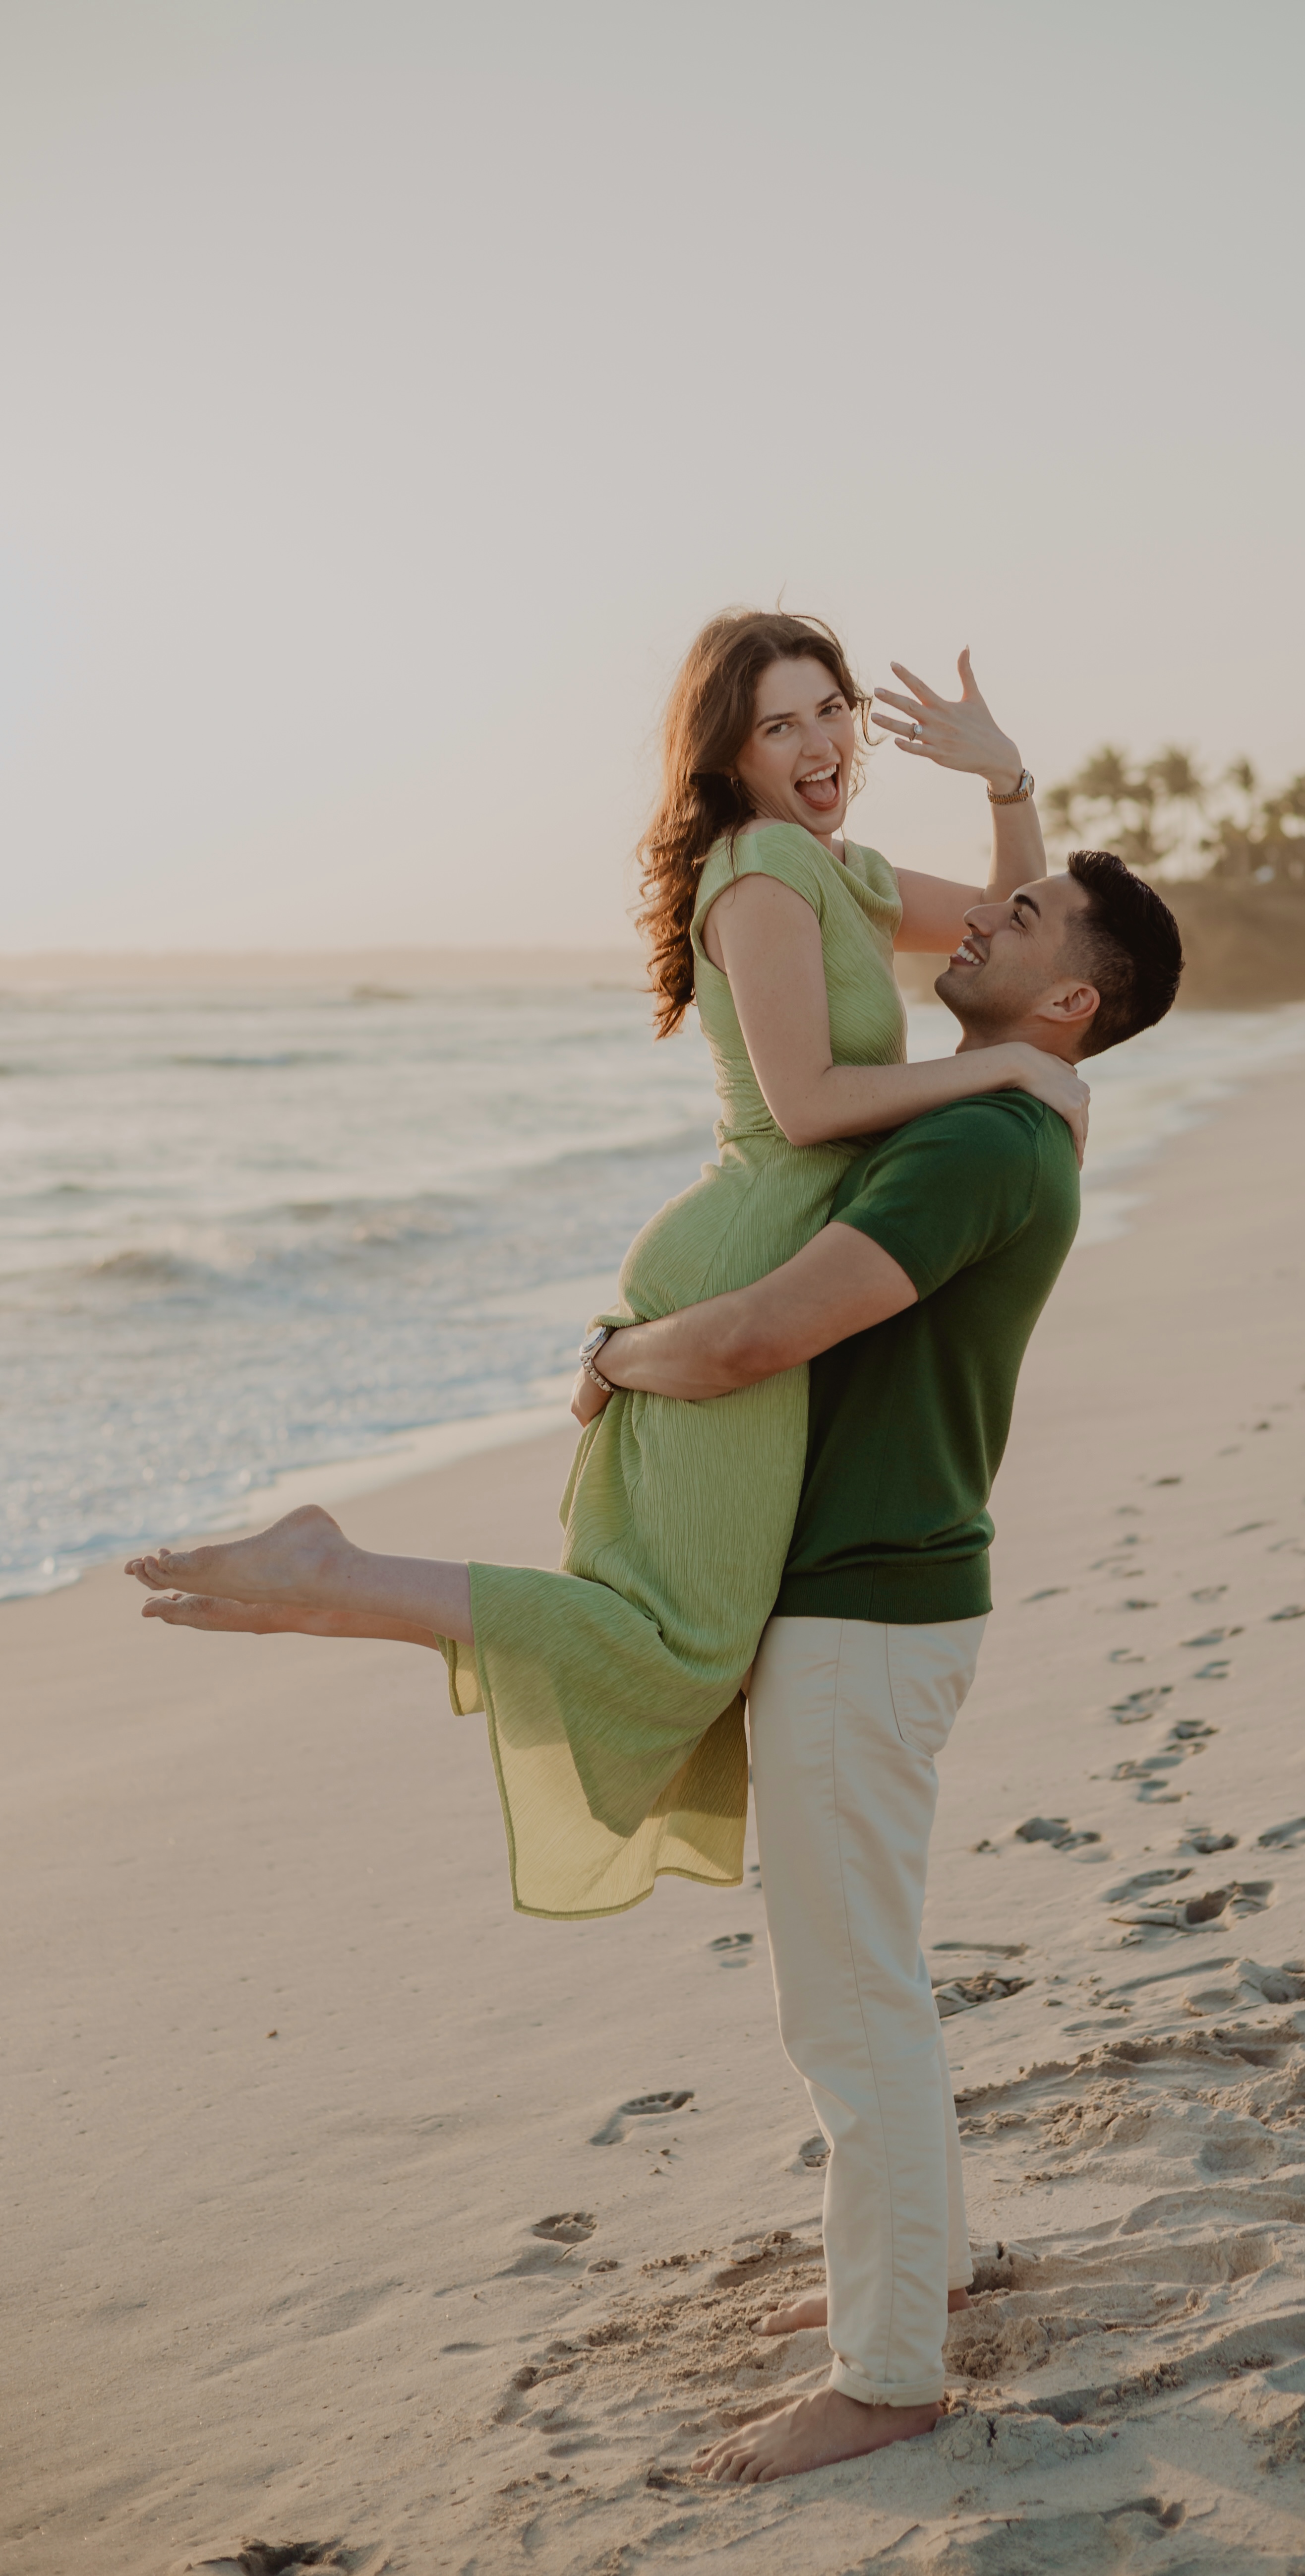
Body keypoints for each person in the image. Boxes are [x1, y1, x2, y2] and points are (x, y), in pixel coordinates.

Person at [129, 848, 1185, 2483]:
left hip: (867, 1615)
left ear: (1069, 1004)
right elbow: (1006, 1005)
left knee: (851, 2009)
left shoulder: (980, 1140)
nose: (986, 907)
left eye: (1027, 915)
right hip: (883, 1602)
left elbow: (766, 1333)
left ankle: (893, 2369)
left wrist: (615, 1358)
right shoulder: (1016, 1110)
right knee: (872, 1979)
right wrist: (1001, 786)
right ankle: (925, 2267)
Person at [127, 610, 1087, 1926]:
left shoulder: (843, 869)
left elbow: (1016, 941)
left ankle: (332, 1582)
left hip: (779, 1244)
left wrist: (1006, 781)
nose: (818, 744)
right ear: (732, 759)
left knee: (682, 1635)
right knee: (681, 1642)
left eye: (831, 710)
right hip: (746, 1248)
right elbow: (807, 1104)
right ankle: (330, 1574)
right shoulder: (758, 871)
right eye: (779, 725)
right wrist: (1011, 1066)